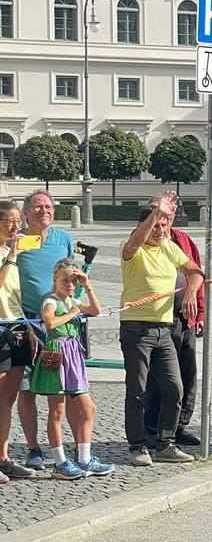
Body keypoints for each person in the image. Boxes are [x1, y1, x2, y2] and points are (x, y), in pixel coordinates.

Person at [120, 193, 204, 466]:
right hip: (136, 329)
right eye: (155, 225)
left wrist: (191, 293)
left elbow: (195, 272)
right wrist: (157, 212)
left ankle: (165, 444)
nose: (160, 230)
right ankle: (138, 446)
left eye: (165, 225)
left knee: (173, 387)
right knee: (138, 391)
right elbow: (136, 240)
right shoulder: (133, 247)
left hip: (164, 329)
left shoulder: (169, 247)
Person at [29, 258, 115, 479]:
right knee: (56, 411)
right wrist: (72, 313)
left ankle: (84, 458)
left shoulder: (73, 300)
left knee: (88, 408)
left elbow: (95, 310)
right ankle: (60, 462)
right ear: (55, 280)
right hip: (56, 354)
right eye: (65, 280)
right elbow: (49, 323)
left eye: (73, 281)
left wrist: (87, 285)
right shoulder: (51, 301)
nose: (69, 285)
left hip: (73, 355)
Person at [16, 190, 75, 471]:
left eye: (48, 206)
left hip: (58, 325)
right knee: (26, 388)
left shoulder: (63, 238)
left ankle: (64, 449)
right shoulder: (18, 240)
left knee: (60, 389)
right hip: (25, 322)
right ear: (26, 211)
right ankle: (32, 448)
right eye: (37, 207)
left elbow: (71, 272)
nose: (44, 211)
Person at [144, 198, 204, 447]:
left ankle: (179, 426)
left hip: (183, 317)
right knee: (159, 378)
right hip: (157, 319)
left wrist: (198, 309)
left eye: (167, 217)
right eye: (159, 215)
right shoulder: (144, 241)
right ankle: (152, 427)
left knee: (187, 372)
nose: (163, 222)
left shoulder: (183, 240)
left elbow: (197, 273)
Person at [0, 201, 36, 483]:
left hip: (16, 327)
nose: (15, 227)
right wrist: (12, 255)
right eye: (9, 222)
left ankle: (3, 458)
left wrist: (27, 325)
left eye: (17, 222)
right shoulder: (8, 254)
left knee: (8, 399)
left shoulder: (10, 251)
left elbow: (13, 295)